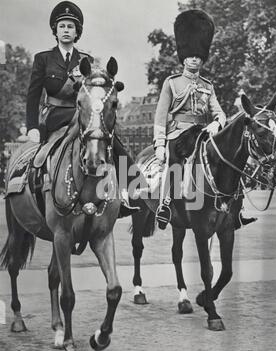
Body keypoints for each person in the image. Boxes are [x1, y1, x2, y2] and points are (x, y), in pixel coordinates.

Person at [26, 1, 138, 216]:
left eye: (71, 27)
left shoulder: (86, 60)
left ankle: (130, 192)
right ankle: (35, 190)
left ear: (77, 32)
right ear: (55, 30)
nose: (66, 30)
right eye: (62, 26)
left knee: (112, 141)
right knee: (39, 157)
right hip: (54, 115)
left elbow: (94, 94)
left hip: (83, 115)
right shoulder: (43, 59)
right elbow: (32, 97)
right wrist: (31, 126)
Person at [154, 9, 255, 230]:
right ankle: (165, 205)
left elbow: (219, 113)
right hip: (178, 134)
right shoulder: (171, 83)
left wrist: (216, 123)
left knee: (229, 162)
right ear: (184, 57)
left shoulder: (208, 86)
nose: (194, 60)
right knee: (174, 165)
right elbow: (161, 117)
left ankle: (237, 210)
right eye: (191, 56)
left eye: (198, 56)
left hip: (202, 134)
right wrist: (159, 144)